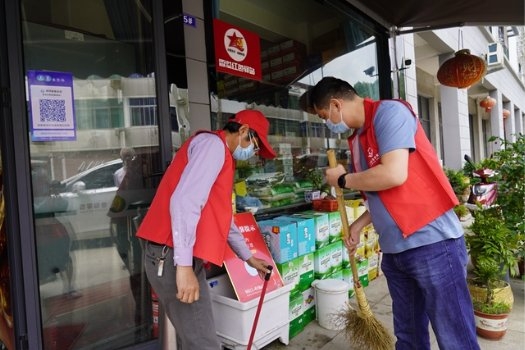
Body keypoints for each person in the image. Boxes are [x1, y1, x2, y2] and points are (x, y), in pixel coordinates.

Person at [300, 76, 480, 350]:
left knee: (454, 337)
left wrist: (343, 179)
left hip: (433, 243)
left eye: (325, 116)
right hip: (396, 252)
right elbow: (379, 194)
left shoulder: (389, 113)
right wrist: (359, 225)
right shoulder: (358, 138)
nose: (328, 123)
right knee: (408, 336)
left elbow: (394, 174)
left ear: (336, 104)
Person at [136, 109, 276, 349]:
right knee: (203, 342)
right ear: (242, 130)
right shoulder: (213, 147)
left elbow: (222, 217)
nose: (252, 153)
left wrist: (248, 257)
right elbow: (184, 202)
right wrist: (184, 267)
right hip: (172, 256)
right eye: (254, 145)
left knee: (192, 339)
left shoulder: (219, 152)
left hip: (173, 255)